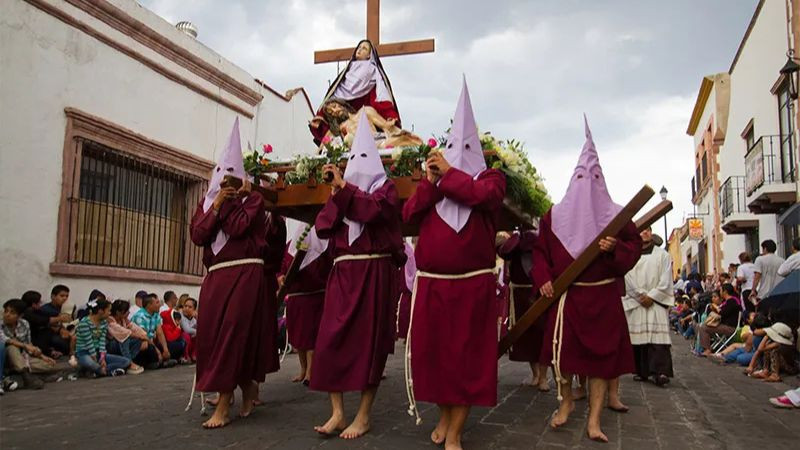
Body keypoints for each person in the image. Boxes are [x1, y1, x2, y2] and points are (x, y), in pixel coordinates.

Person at [403, 79, 506, 449]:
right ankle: (445, 418)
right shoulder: (436, 184)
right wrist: (430, 183)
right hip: (434, 287)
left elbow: (482, 196)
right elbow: (409, 213)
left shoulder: (491, 179)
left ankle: (456, 432)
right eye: (450, 149)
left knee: (466, 362)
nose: (455, 155)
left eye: (463, 148)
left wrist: (448, 174)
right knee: (439, 360)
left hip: (472, 287)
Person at [532, 117, 642, 443]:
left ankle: (594, 420)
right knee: (560, 357)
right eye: (580, 177)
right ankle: (565, 402)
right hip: (567, 298)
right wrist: (543, 279)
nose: (586, 183)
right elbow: (540, 253)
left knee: (600, 364)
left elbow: (633, 249)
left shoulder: (618, 216)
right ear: (571, 179)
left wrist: (615, 248)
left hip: (602, 298)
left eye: (593, 177)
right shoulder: (552, 215)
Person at [311, 110, 404, 439]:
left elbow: (373, 210)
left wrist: (345, 191)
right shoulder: (342, 193)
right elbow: (323, 227)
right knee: (329, 340)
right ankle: (337, 412)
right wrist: (338, 194)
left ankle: (363, 415)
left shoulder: (386, 190)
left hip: (374, 272)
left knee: (371, 344)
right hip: (343, 274)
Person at [189, 118, 277, 428]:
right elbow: (198, 236)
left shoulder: (252, 200)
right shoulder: (206, 203)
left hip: (244, 275)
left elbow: (238, 228)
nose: (224, 184)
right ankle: (246, 384)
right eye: (220, 178)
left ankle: (223, 406)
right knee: (212, 334)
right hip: (216, 276)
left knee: (233, 331)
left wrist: (228, 204)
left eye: (231, 178)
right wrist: (215, 207)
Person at [309, 40, 400, 145]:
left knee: (366, 112)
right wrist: (321, 116)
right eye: (359, 47)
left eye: (364, 48)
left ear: (369, 55)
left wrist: (389, 114)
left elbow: (380, 95)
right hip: (347, 124)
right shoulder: (348, 71)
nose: (360, 49)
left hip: (362, 118)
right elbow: (335, 96)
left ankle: (383, 134)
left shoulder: (373, 71)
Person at [622, 227, 675, 387]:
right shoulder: (629, 255)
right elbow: (626, 276)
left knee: (657, 338)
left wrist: (652, 296)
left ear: (652, 233)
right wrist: (639, 296)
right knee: (639, 339)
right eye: (642, 230)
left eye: (648, 230)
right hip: (637, 300)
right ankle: (642, 371)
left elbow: (666, 279)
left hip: (655, 301)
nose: (645, 233)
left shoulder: (663, 255)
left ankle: (660, 372)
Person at [279, 223, 331, 384]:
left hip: (315, 298)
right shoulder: (290, 245)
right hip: (295, 297)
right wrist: (280, 277)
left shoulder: (322, 246)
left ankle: (311, 372)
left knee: (311, 338)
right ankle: (303, 369)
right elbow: (281, 267)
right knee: (298, 338)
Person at [498, 230, 549, 391]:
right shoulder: (513, 246)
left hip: (535, 293)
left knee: (540, 335)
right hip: (519, 295)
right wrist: (516, 237)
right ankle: (535, 375)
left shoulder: (534, 243)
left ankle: (543, 377)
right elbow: (505, 250)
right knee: (526, 337)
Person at [2, 299, 61, 389]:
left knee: (49, 364)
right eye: (6, 311)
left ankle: (27, 374)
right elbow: (6, 340)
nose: (7, 315)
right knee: (12, 347)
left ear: (20, 316)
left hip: (22, 357)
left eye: (12, 313)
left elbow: (28, 343)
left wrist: (41, 356)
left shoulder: (24, 324)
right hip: (5, 358)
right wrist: (26, 346)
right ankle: (27, 378)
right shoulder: (1, 324)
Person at [75, 299, 131, 377]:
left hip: (98, 352)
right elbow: (89, 342)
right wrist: (94, 357)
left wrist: (102, 357)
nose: (110, 313)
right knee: (90, 363)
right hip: (84, 353)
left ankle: (98, 372)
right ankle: (105, 371)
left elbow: (102, 341)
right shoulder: (84, 323)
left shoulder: (104, 323)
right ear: (101, 311)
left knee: (126, 362)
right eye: (108, 311)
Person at [131, 294, 176, 370]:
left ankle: (160, 361)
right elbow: (144, 337)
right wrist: (157, 351)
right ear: (149, 305)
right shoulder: (140, 316)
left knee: (174, 344)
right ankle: (153, 363)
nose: (160, 305)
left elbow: (160, 333)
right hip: (143, 343)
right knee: (148, 346)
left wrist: (165, 349)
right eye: (157, 303)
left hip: (152, 342)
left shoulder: (155, 315)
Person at [697, 284, 741, 357]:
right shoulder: (728, 301)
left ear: (725, 292)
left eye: (721, 290)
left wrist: (715, 307)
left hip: (729, 327)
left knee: (704, 328)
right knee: (704, 326)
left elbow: (722, 313)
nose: (720, 292)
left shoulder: (732, 301)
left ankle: (707, 350)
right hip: (724, 325)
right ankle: (708, 347)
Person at [107, 300, 146, 374]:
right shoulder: (110, 321)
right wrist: (139, 336)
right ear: (118, 312)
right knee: (125, 338)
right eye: (126, 311)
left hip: (121, 346)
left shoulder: (124, 320)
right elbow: (124, 332)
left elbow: (136, 328)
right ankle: (129, 363)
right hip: (111, 345)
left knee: (137, 340)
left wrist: (143, 335)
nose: (129, 313)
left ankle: (128, 361)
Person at [37, 285, 73, 358]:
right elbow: (44, 324)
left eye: (67, 296)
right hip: (51, 335)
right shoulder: (45, 309)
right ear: (53, 296)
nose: (65, 298)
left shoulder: (67, 308)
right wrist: (60, 329)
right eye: (62, 296)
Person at [751, 240, 785, 304]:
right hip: (779, 294)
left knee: (763, 313)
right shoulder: (782, 261)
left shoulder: (760, 259)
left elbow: (757, 276)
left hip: (764, 294)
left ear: (765, 248)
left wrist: (753, 290)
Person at [180, 298, 198, 362]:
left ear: (194, 309)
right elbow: (186, 330)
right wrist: (197, 332)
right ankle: (185, 356)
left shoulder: (193, 319)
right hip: (182, 341)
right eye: (185, 306)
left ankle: (194, 355)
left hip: (191, 342)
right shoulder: (181, 317)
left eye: (190, 307)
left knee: (197, 336)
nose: (186, 308)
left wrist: (197, 317)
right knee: (186, 335)